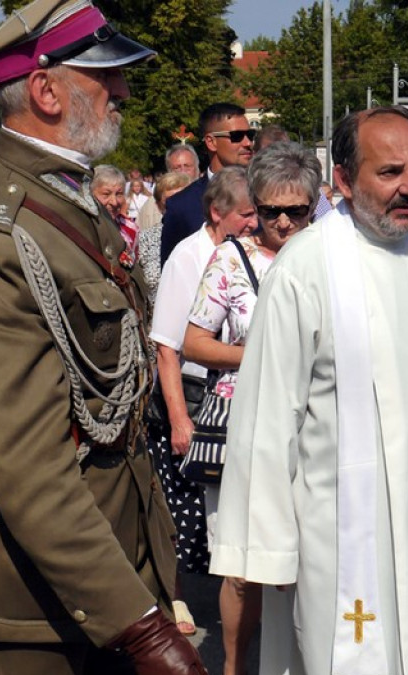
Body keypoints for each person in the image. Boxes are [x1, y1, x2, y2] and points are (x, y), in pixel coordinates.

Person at [0, 2, 206, 675]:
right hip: (30, 603)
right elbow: (26, 461)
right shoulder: (4, 232)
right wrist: (140, 627)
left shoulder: (62, 203)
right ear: (45, 91)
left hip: (98, 573)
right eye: (106, 76)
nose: (123, 91)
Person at [209, 106, 408, 675]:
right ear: (345, 181)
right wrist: (269, 548)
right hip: (346, 529)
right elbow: (267, 414)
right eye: (391, 172)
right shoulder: (306, 267)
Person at [183, 141, 320, 675]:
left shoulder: (330, 257)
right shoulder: (230, 260)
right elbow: (194, 342)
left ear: (314, 204)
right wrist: (263, 354)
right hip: (241, 426)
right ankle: (234, 672)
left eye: (296, 210)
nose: (283, 222)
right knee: (244, 566)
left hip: (314, 427)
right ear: (255, 206)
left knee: (306, 560)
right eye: (270, 211)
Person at [148, 167, 257, 642]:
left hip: (228, 395)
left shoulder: (247, 253)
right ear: (217, 212)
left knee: (220, 505)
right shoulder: (187, 257)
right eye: (247, 214)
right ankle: (174, 596)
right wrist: (178, 419)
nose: (255, 222)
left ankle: (236, 595)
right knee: (180, 508)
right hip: (190, 396)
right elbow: (167, 347)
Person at [160, 102, 254, 265]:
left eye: (250, 135)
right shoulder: (181, 206)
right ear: (211, 142)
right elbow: (172, 269)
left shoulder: (264, 194)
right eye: (237, 136)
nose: (248, 143)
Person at [137, 171, 192, 302]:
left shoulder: (206, 236)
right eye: (170, 202)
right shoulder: (145, 239)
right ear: (158, 206)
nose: (177, 207)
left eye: (182, 200)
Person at [136, 144, 200, 232]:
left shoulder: (209, 198)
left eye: (187, 166)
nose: (183, 171)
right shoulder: (151, 205)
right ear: (169, 171)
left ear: (197, 168)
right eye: (177, 168)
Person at [90, 164, 139, 252]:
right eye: (106, 194)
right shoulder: (83, 226)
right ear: (90, 193)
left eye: (119, 194)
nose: (114, 202)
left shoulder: (130, 228)